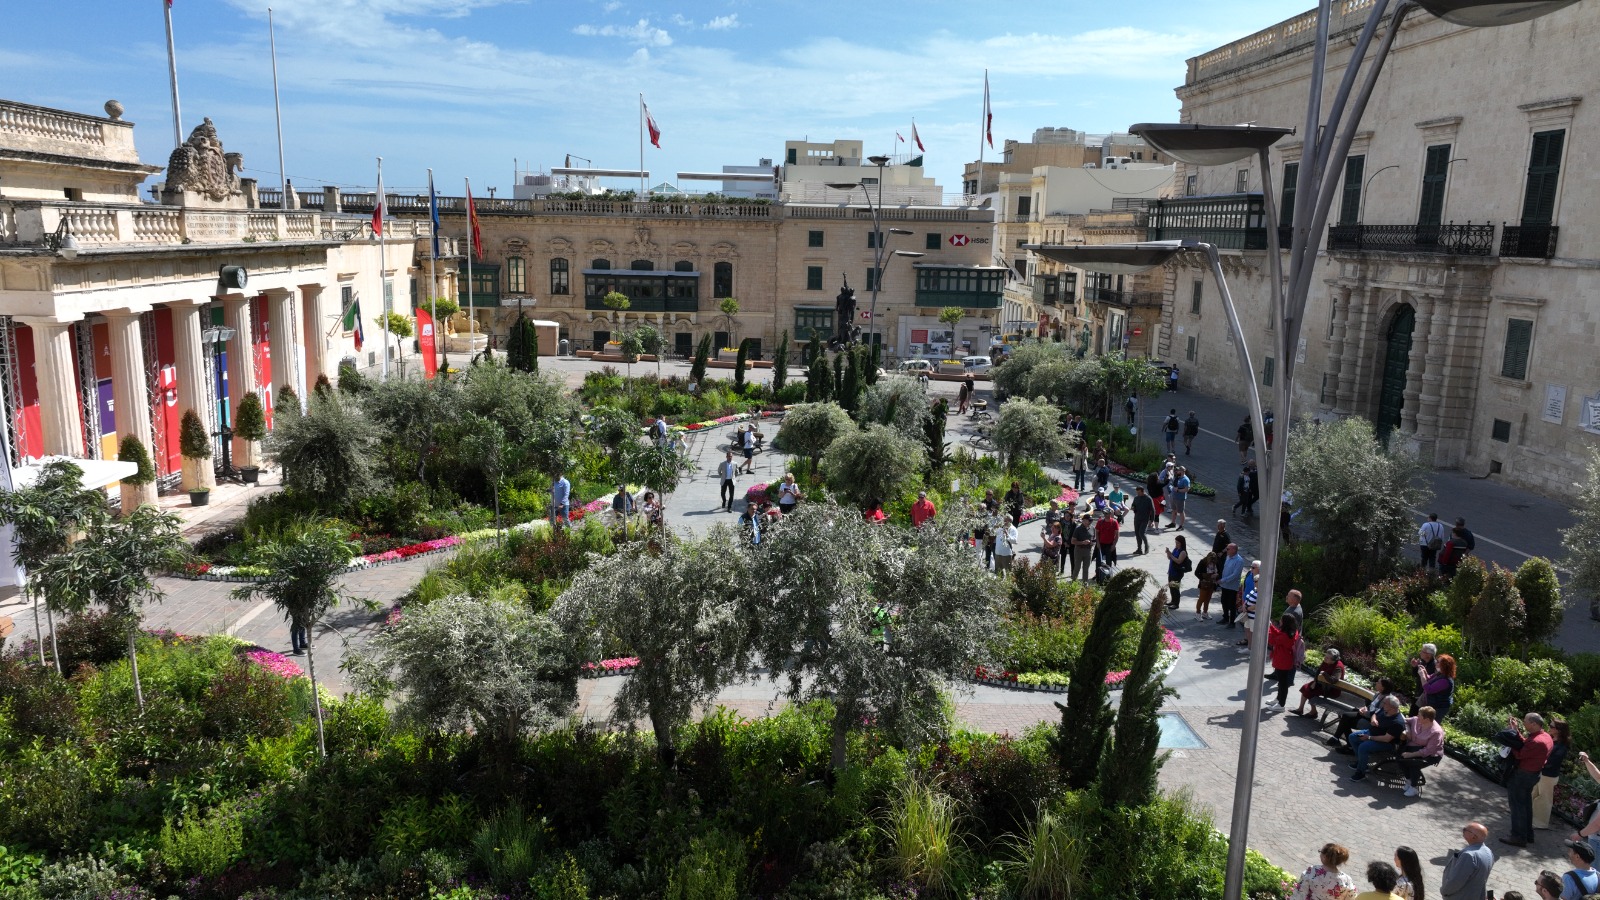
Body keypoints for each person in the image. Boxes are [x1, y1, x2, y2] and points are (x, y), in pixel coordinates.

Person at [1503, 712, 1554, 847]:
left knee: (1517, 806)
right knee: (1525, 804)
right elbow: (1527, 743)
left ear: (1534, 724)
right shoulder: (1545, 737)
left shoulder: (1537, 741)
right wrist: (1516, 731)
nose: (1523, 723)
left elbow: (1520, 754)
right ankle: (1528, 834)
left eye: (1525, 721)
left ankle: (1518, 837)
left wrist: (1510, 743)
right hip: (1533, 775)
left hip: (1523, 776)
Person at [1329, 677, 1400, 747]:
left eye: (1378, 682)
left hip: (1372, 720)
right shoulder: (1378, 693)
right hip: (1366, 714)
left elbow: (1378, 713)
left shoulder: (1386, 699)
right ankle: (1345, 742)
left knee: (1346, 718)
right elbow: (1371, 706)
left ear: (1383, 687)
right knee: (1347, 717)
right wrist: (1363, 708)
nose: (1376, 683)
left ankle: (1339, 739)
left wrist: (1365, 713)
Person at [1397, 706, 1446, 797]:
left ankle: (1414, 787)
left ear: (1426, 719)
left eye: (1419, 715)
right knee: (1399, 758)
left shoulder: (1436, 732)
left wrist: (1411, 755)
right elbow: (1406, 720)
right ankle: (1408, 780)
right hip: (1415, 747)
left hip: (1431, 754)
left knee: (1413, 763)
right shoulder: (1416, 720)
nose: (1417, 716)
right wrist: (1408, 731)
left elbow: (1428, 751)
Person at [1533, 719, 1572, 831]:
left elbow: (1553, 761)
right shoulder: (1550, 739)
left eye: (1552, 726)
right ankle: (1529, 818)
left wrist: (1540, 764)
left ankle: (1540, 823)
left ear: (1559, 730)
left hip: (1548, 776)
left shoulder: (1562, 745)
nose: (1549, 727)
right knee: (1533, 794)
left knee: (1544, 799)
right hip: (1540, 772)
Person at [1439, 823, 1493, 900]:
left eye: (1465, 830)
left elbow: (1456, 881)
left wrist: (1444, 891)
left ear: (1474, 837)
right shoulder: (1488, 851)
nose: (1463, 831)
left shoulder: (1469, 855)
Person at [1290, 842, 1356, 900]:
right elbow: (1351, 897)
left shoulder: (1312, 871)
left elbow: (1300, 893)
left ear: (1325, 857)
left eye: (1320, 852)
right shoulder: (1347, 880)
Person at [1265, 613, 1300, 712]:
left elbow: (1273, 640)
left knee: (1283, 683)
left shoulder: (1286, 636)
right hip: (1284, 660)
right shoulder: (1290, 632)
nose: (1280, 621)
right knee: (1281, 682)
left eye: (1281, 620)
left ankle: (1281, 704)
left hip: (1282, 661)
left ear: (1285, 623)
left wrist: (1268, 629)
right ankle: (1278, 699)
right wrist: (1271, 626)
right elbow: (1278, 634)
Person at [1296, 647, 1346, 716]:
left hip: (1331, 689)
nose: (1325, 658)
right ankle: (1300, 709)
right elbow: (1318, 671)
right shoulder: (1326, 661)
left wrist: (1324, 674)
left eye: (1328, 658)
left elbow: (1333, 680)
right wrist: (1315, 681)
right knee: (1306, 687)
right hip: (1322, 685)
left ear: (1333, 660)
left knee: (1311, 691)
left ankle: (1313, 712)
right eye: (1325, 656)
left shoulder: (1338, 667)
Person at [1568, 751, 1600, 858]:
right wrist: (1587, 761)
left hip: (1597, 840)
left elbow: (1597, 824)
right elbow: (1598, 776)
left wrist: (1579, 834)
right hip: (1595, 837)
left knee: (1595, 872)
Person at [1417, 653, 1457, 723]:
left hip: (1438, 708)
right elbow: (1430, 679)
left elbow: (1429, 689)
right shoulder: (1440, 673)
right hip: (1433, 704)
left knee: (1431, 724)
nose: (1435, 662)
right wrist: (1425, 672)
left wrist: (1422, 676)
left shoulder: (1445, 681)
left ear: (1444, 665)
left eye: (1438, 662)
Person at [1218, 544, 1245, 628]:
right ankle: (1225, 617)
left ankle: (1232, 622)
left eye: (1228, 549)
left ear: (1233, 550)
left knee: (1231, 604)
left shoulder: (1239, 560)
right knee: (1223, 601)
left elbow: (1235, 575)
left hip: (1232, 586)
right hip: (1225, 585)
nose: (1227, 550)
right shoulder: (1228, 557)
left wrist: (1223, 580)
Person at [1239, 560, 1262, 650]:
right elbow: (1244, 586)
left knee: (1252, 631)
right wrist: (1243, 603)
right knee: (1247, 628)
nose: (1251, 569)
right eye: (1251, 567)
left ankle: (1252, 649)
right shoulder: (1249, 574)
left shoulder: (1260, 579)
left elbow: (1259, 604)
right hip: (1246, 605)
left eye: (1253, 567)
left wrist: (1247, 608)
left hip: (1253, 614)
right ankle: (1249, 646)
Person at [1194, 551, 1221, 620]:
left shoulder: (1216, 563)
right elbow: (1196, 572)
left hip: (1212, 583)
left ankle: (1205, 612)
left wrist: (1217, 575)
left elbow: (1220, 572)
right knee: (1202, 598)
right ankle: (1198, 613)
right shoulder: (1202, 562)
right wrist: (1202, 579)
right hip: (1204, 583)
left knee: (1208, 598)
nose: (1212, 562)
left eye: (1213, 561)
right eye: (1211, 560)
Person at [1165, 535, 1190, 610]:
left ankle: (1176, 603)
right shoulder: (1176, 549)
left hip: (1177, 572)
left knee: (1175, 588)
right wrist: (1168, 553)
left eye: (1178, 543)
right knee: (1171, 586)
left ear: (1181, 543)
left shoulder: (1183, 552)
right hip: (1171, 571)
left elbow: (1179, 561)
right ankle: (1173, 601)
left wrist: (1171, 556)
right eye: (1176, 542)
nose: (1176, 544)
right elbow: (1170, 558)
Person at [1070, 514, 1095, 581]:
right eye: (1089, 521)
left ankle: (1085, 583)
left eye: (1091, 521)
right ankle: (1074, 582)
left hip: (1088, 551)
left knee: (1086, 568)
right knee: (1077, 568)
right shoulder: (1078, 529)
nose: (1090, 522)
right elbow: (1072, 541)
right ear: (1083, 521)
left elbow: (1094, 539)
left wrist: (1092, 543)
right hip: (1079, 551)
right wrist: (1082, 542)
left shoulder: (1092, 528)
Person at [1132, 486, 1155, 554]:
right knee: (1137, 534)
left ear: (1143, 491)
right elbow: (1133, 505)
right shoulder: (1136, 498)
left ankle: (1147, 545)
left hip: (1145, 519)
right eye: (1137, 492)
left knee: (1141, 533)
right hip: (1137, 518)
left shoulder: (1148, 499)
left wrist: (1152, 520)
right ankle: (1139, 549)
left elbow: (1153, 510)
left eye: (1139, 492)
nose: (1138, 494)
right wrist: (1133, 508)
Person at [1170, 465, 1192, 530]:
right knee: (1174, 510)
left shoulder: (1186, 479)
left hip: (1180, 498)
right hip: (1174, 496)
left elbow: (1187, 489)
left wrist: (1178, 490)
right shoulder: (1178, 477)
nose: (1177, 471)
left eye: (1178, 470)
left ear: (1182, 471)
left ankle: (1181, 526)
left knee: (1181, 512)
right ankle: (1173, 523)